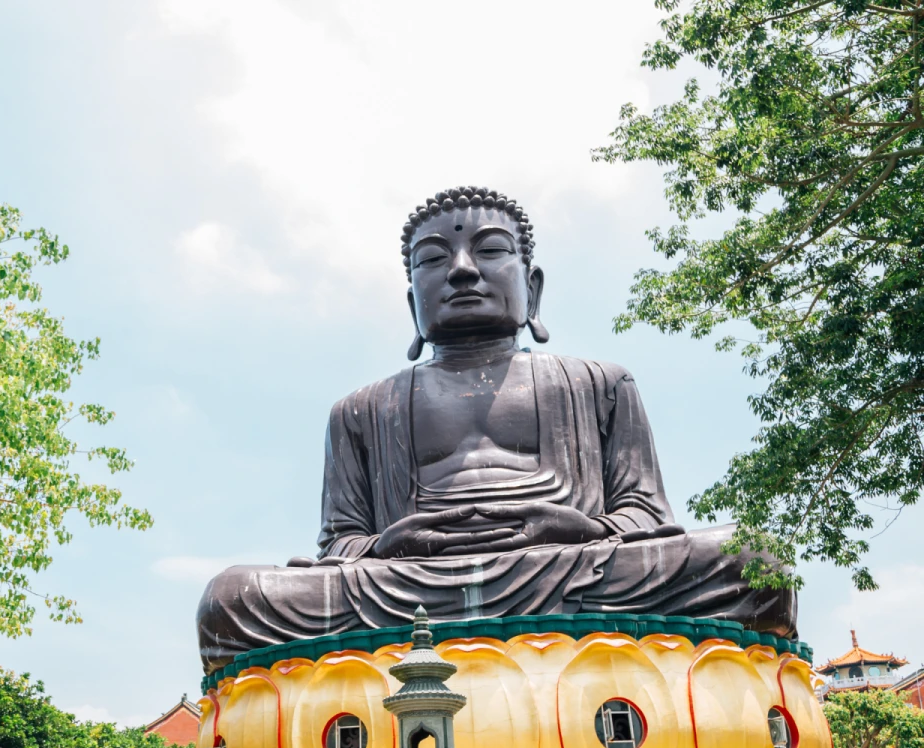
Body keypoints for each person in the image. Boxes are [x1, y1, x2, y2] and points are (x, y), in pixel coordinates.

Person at [196, 186, 795, 674]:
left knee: (755, 561)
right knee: (231, 599)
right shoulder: (360, 409)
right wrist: (388, 546)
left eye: (490, 252)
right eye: (433, 259)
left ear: (532, 288)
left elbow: (644, 516)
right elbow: (343, 546)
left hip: (571, 569)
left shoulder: (598, 382)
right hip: (409, 590)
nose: (461, 271)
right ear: (413, 303)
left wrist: (578, 528)